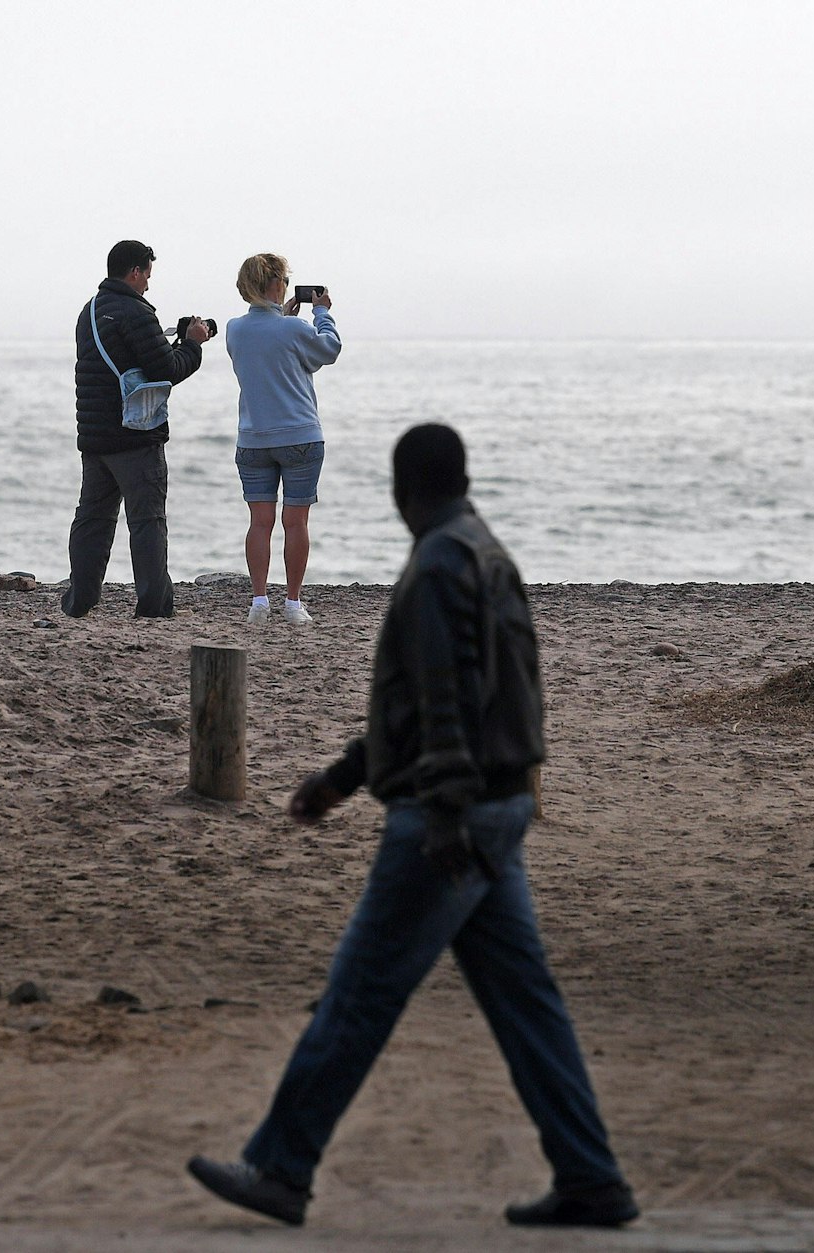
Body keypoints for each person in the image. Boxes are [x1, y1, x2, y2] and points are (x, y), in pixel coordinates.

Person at [187, 424, 639, 1230]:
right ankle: (592, 1176)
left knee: (360, 993)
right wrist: (342, 778)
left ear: (404, 492)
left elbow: (445, 701)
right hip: (499, 806)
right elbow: (446, 701)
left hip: (450, 817)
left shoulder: (435, 566)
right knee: (526, 1003)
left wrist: (442, 815)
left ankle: (281, 1166)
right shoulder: (485, 550)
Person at [61, 239, 209, 619]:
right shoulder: (136, 313)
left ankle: (80, 600)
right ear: (134, 272)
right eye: (147, 275)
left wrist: (169, 341)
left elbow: (132, 362)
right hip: (135, 435)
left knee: (92, 519)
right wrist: (192, 345)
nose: (148, 284)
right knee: (146, 521)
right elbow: (167, 371)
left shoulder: (89, 311)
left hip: (95, 436)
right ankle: (154, 605)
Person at [224, 254, 341, 625]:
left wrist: (286, 320)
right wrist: (320, 313)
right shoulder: (294, 330)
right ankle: (292, 602)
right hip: (300, 435)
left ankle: (259, 600)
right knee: (296, 522)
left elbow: (268, 355)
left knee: (259, 522)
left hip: (253, 437)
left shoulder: (233, 329)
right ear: (276, 285)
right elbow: (328, 350)